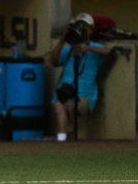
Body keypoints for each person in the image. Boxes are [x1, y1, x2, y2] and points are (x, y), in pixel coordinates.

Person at [47, 14, 111, 142]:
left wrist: (87, 48)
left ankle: (67, 136)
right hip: (65, 90)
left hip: (84, 95)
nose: (81, 29)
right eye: (78, 26)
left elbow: (108, 51)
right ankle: (61, 140)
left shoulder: (94, 46)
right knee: (59, 106)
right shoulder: (68, 47)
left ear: (91, 30)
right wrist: (64, 39)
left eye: (84, 27)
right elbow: (53, 60)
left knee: (71, 107)